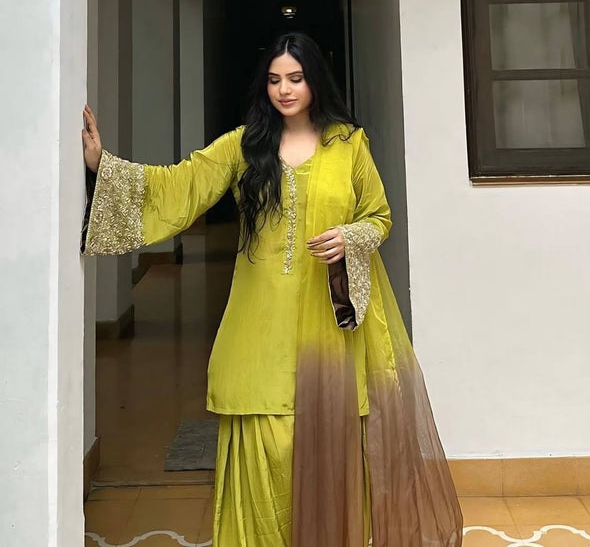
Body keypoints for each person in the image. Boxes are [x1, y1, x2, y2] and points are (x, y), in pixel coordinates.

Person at [82, 32, 463, 547]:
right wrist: (102, 166)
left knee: (326, 446)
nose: (284, 89)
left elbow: (380, 216)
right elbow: (180, 185)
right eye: (275, 79)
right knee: (264, 442)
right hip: (256, 322)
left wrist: (350, 236)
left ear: (314, 82)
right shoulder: (245, 145)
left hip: (326, 326)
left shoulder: (349, 144)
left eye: (296, 78)